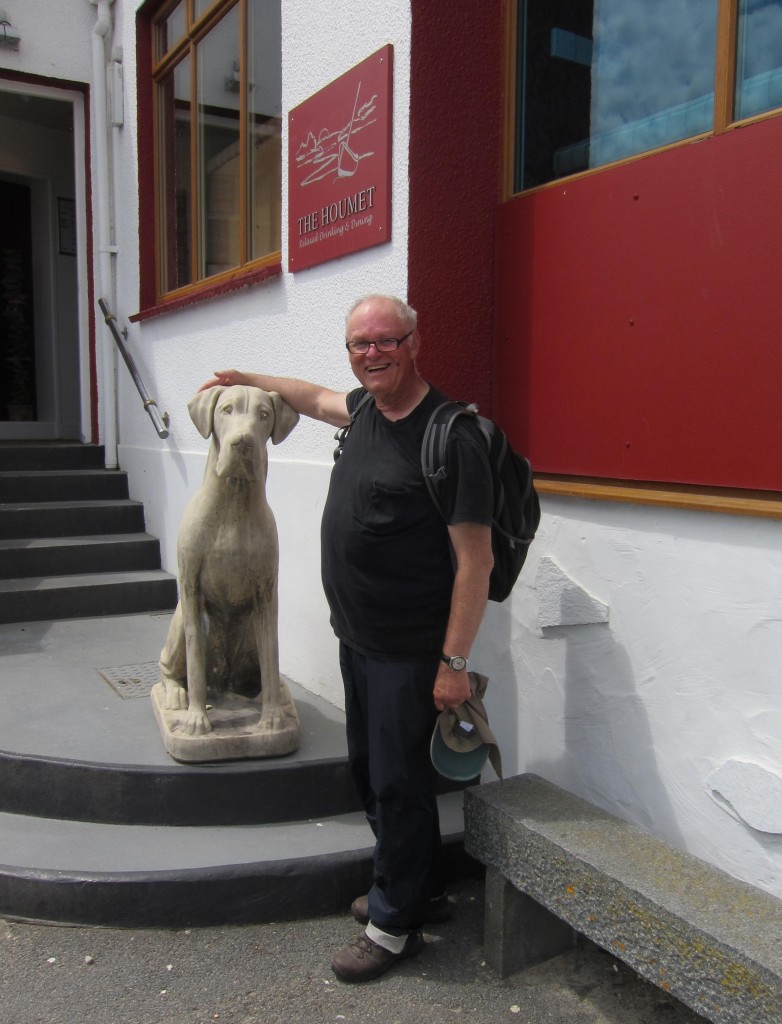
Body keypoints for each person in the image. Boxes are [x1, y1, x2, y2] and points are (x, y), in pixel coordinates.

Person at [199, 294, 494, 982]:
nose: (372, 354)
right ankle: (414, 886)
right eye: (360, 344)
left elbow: (475, 563)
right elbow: (309, 396)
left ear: (414, 342)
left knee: (397, 784)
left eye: (385, 340)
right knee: (371, 772)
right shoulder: (364, 410)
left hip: (408, 650)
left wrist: (453, 662)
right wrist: (249, 378)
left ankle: (392, 927)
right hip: (357, 638)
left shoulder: (450, 437)